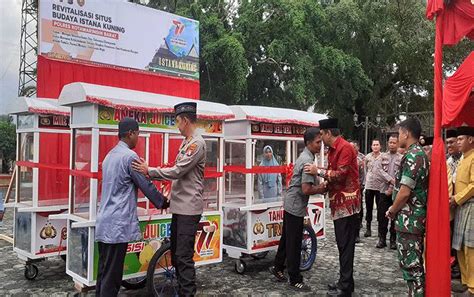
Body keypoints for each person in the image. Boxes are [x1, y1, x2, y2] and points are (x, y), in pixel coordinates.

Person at [132, 102, 206, 296]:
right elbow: (181, 176)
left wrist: (150, 171)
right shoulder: (186, 142)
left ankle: (187, 293)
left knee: (183, 257)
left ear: (186, 120)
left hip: (189, 210)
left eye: (178, 122)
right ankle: (182, 291)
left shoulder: (197, 143)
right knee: (176, 254)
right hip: (180, 208)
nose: (177, 126)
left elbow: (178, 170)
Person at [95, 117, 166, 297]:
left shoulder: (109, 156)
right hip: (117, 225)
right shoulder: (129, 157)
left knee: (104, 272)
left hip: (104, 221)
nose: (138, 138)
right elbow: (145, 184)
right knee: (112, 277)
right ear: (131, 133)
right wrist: (163, 201)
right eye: (138, 134)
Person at [304, 118, 361, 296]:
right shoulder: (333, 150)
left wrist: (317, 171)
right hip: (338, 204)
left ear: (329, 133)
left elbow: (341, 175)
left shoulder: (345, 148)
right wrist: (321, 187)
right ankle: (346, 282)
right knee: (343, 245)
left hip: (348, 205)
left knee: (346, 245)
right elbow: (332, 176)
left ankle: (345, 288)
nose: (321, 139)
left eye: (322, 134)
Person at [269, 127, 327, 291]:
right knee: (294, 242)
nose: (320, 145)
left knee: (287, 238)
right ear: (309, 143)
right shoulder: (307, 161)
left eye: (321, 142)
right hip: (295, 205)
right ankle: (294, 278)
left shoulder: (307, 156)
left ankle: (278, 267)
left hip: (291, 203)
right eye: (318, 142)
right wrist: (322, 189)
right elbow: (306, 189)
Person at [386, 118, 429, 297]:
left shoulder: (414, 156)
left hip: (410, 219)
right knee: (409, 266)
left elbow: (404, 192)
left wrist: (392, 210)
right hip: (409, 219)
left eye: (399, 132)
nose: (398, 136)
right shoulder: (415, 153)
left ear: (407, 133)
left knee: (413, 268)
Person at [450, 126, 474, 296]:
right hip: (461, 207)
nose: (457, 142)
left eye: (460, 139)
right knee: (459, 246)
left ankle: (473, 287)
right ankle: (466, 282)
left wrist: (457, 198)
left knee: (470, 247)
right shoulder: (463, 158)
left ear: (471, 140)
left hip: (470, 206)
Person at [372, 134, 402, 249]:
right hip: (383, 191)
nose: (392, 145)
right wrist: (390, 180)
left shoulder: (401, 158)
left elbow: (402, 173)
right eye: (390, 142)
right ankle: (382, 239)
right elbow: (378, 171)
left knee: (394, 216)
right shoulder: (382, 157)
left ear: (398, 143)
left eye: (394, 143)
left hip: (396, 192)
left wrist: (394, 184)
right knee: (381, 216)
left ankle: (393, 240)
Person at [446, 128, 462, 279]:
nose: (449, 145)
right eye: (447, 143)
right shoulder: (448, 161)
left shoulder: (467, 158)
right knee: (453, 237)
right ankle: (454, 264)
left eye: (452, 142)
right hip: (451, 206)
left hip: (464, 203)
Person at [363, 139, 382, 237]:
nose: (375, 146)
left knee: (380, 208)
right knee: (368, 207)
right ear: (371, 146)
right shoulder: (367, 157)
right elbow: (365, 170)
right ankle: (368, 228)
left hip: (379, 186)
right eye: (374, 144)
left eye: (377, 144)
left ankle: (380, 229)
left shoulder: (383, 157)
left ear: (380, 146)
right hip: (369, 185)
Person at [350, 141, 365, 243]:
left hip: (356, 190)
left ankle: (356, 234)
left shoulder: (359, 161)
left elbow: (362, 176)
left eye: (353, 147)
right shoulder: (344, 159)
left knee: (357, 213)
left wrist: (359, 187)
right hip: (346, 191)